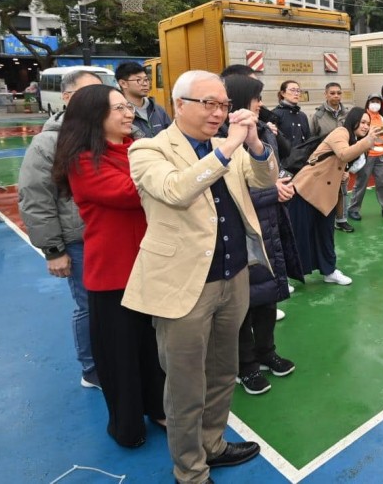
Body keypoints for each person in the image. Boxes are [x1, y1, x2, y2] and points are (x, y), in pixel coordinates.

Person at [122, 70, 277, 484]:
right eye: (209, 103)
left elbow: (265, 180)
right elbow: (175, 190)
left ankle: (214, 444)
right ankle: (189, 470)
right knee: (186, 385)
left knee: (224, 370)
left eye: (223, 105)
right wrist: (227, 148)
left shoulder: (223, 146)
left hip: (233, 276)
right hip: (182, 285)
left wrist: (256, 145)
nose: (219, 112)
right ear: (180, 105)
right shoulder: (147, 149)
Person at [53, 84, 166, 448]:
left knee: (153, 347)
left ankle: (159, 408)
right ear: (94, 117)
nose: (128, 113)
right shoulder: (84, 160)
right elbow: (132, 194)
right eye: (117, 108)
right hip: (114, 272)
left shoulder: (136, 148)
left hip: (151, 264)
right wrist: (167, 177)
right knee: (120, 357)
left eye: (126, 106)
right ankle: (127, 424)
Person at [17, 69, 103, 390]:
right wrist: (53, 250)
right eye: (88, 92)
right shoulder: (48, 142)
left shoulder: (109, 134)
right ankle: (91, 369)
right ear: (67, 98)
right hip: (78, 242)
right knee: (88, 306)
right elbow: (35, 198)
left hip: (111, 238)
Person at [223, 76, 297, 397]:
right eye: (256, 98)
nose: (261, 104)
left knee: (267, 296)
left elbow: (272, 167)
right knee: (243, 303)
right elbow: (232, 195)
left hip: (269, 227)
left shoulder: (262, 129)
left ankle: (267, 352)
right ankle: (245, 365)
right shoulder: (220, 140)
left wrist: (279, 178)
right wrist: (273, 192)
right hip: (242, 232)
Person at [291, 107, 383, 285]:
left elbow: (344, 162)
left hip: (327, 195)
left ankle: (329, 270)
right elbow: (343, 154)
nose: (365, 126)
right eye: (362, 122)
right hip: (306, 190)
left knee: (326, 234)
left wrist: (343, 172)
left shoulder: (357, 140)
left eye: (368, 123)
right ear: (353, 120)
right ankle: (288, 275)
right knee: (299, 234)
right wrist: (368, 141)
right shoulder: (341, 132)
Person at [310, 82, 352, 233]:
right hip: (325, 161)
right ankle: (323, 219)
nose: (336, 96)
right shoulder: (318, 116)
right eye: (332, 93)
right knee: (324, 190)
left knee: (342, 190)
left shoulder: (347, 115)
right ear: (326, 94)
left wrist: (348, 164)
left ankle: (341, 220)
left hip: (342, 159)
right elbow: (313, 140)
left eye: (339, 93)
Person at [347, 94, 383, 221]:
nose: (375, 104)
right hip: (366, 155)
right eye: (373, 101)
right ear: (368, 102)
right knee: (361, 183)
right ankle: (353, 209)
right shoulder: (363, 118)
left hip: (381, 157)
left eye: (378, 102)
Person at [115, 61, 171, 139]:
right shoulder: (118, 113)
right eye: (138, 80)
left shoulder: (158, 110)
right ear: (123, 83)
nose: (145, 84)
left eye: (146, 79)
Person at [271, 79, 310, 148]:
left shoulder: (302, 115)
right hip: (285, 157)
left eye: (298, 91)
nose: (296, 93)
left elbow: (308, 138)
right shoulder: (275, 114)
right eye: (292, 90)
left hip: (303, 156)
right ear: (283, 93)